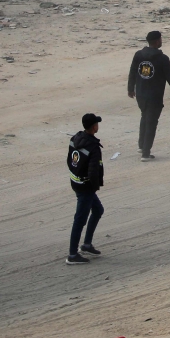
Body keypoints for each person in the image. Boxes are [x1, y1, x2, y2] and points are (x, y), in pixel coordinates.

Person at [127, 30, 170, 162]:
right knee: (151, 123)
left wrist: (130, 89)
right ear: (157, 41)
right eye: (160, 39)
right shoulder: (163, 59)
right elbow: (169, 76)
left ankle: (141, 145)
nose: (161, 41)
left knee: (144, 117)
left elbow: (133, 72)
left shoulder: (138, 55)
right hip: (154, 96)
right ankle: (145, 153)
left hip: (140, 94)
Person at [66, 113, 105, 265]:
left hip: (76, 183)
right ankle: (72, 254)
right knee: (80, 220)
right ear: (94, 127)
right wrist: (95, 186)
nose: (98, 125)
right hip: (86, 187)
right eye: (97, 123)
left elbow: (70, 160)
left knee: (98, 210)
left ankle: (87, 244)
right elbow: (93, 170)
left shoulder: (75, 138)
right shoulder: (93, 147)